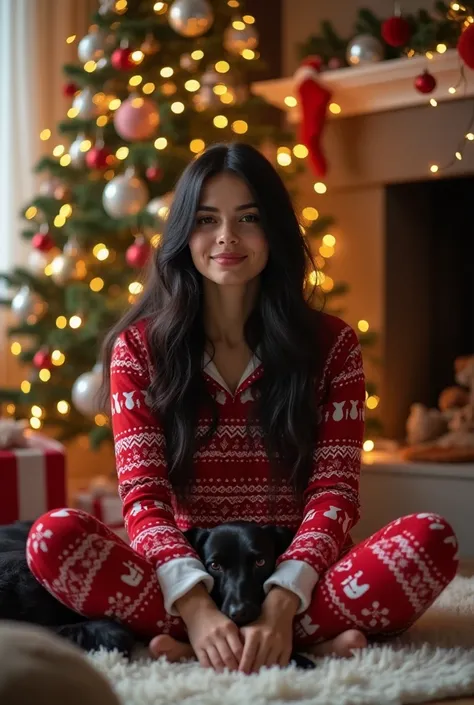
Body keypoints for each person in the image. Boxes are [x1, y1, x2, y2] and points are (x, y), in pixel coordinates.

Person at [27, 142, 458, 674]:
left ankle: (221, 644)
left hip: (304, 575)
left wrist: (280, 602)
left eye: (248, 218)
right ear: (184, 233)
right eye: (207, 220)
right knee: (53, 538)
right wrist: (199, 607)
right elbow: (144, 502)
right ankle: (294, 644)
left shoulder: (333, 346)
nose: (227, 237)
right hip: (190, 576)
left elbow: (335, 494)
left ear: (273, 230)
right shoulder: (139, 350)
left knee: (430, 540)